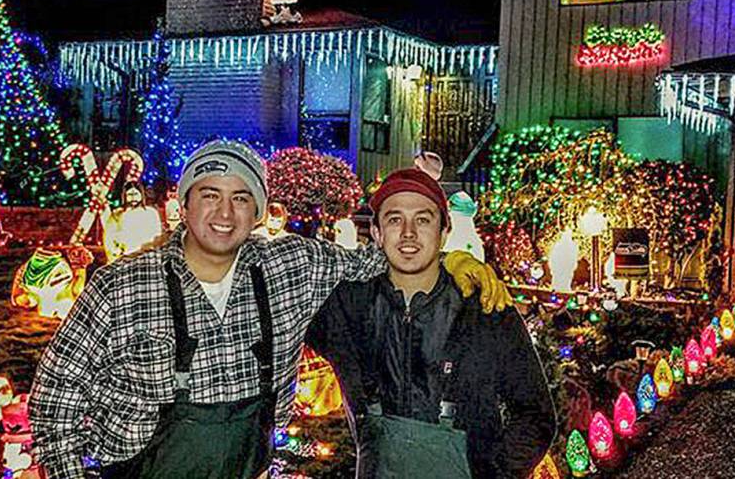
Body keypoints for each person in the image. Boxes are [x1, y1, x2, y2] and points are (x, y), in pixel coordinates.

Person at [30, 140, 509, 479]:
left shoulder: (289, 266)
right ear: (184, 203)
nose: (225, 213)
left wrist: (452, 258)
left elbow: (381, 257)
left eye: (242, 198)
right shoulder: (122, 285)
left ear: (258, 211)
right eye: (210, 195)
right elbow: (54, 397)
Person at [306, 168, 556, 478]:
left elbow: (535, 415)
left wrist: (497, 473)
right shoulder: (345, 308)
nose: (408, 232)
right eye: (394, 219)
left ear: (444, 232)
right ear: (376, 233)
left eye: (423, 220)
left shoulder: (485, 311)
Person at [101, 180, 163, 263]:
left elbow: (157, 235)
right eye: (130, 194)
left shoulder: (151, 213)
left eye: (135, 194)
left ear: (141, 195)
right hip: (125, 257)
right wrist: (115, 253)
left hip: (145, 257)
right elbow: (109, 237)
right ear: (124, 196)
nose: (133, 197)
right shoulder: (117, 214)